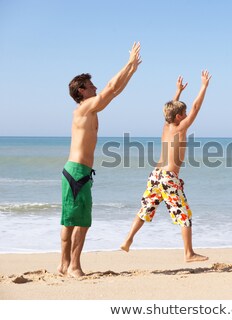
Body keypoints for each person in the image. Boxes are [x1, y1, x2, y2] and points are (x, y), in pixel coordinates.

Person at [58, 42, 142, 277]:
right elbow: (109, 88)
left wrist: (132, 70)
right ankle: (73, 266)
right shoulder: (84, 109)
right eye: (90, 85)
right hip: (77, 172)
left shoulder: (89, 110)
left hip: (76, 172)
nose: (95, 86)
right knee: (80, 222)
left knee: (70, 220)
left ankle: (64, 265)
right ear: (81, 91)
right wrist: (127, 64)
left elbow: (113, 92)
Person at [120, 70, 211, 262]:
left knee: (145, 209)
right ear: (179, 117)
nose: (187, 116)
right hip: (169, 177)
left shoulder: (166, 125)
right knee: (184, 215)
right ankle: (189, 253)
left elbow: (169, 110)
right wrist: (203, 87)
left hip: (156, 175)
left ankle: (128, 240)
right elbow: (195, 107)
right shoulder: (180, 127)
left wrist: (177, 92)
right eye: (183, 114)